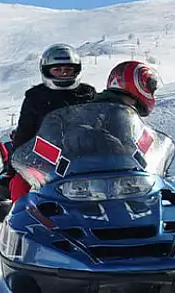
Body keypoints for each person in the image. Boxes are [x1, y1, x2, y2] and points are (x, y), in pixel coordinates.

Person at [9, 60, 161, 202]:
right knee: (21, 186)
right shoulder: (107, 108)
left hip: (111, 174)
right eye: (58, 70)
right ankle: (20, 225)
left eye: (68, 69)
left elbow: (130, 144)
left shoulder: (113, 107)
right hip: (73, 169)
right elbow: (76, 133)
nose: (63, 74)